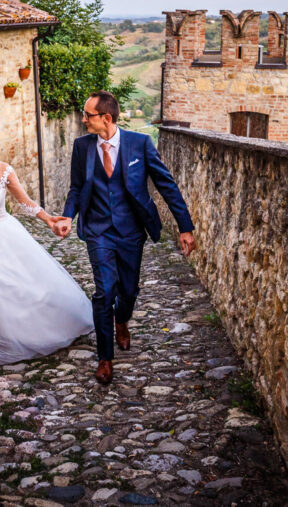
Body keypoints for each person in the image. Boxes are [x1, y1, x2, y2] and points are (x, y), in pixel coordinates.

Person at [52, 91, 196, 384]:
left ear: (106, 118)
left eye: (87, 115)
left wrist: (185, 226)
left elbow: (166, 184)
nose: (83, 120)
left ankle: (122, 319)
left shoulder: (139, 144)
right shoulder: (82, 147)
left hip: (131, 231)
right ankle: (104, 357)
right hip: (98, 230)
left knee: (128, 291)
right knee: (105, 291)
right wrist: (68, 216)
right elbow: (77, 187)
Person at [0, 122, 93, 368]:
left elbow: (25, 202)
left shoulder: (4, 170)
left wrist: (49, 220)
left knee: (12, 286)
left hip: (3, 233)